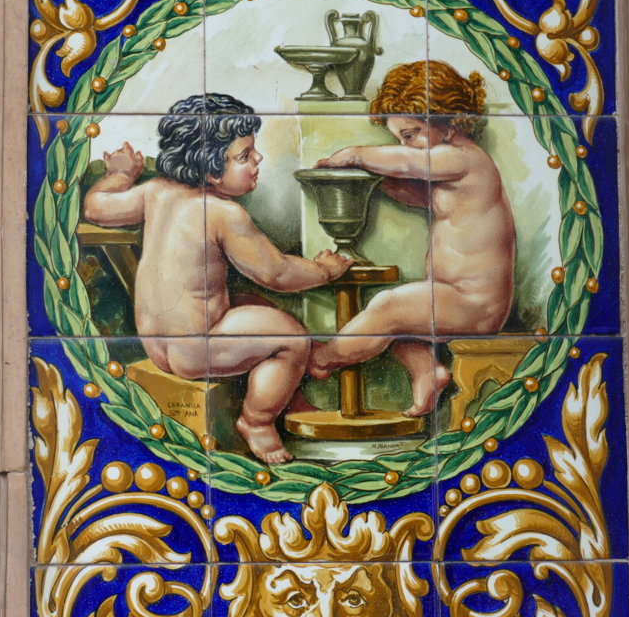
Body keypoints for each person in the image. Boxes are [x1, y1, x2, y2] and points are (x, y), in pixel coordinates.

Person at [83, 94, 351, 463]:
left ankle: (290, 393)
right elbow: (276, 273)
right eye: (244, 156)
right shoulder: (224, 213)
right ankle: (257, 421)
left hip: (158, 346)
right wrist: (325, 270)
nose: (258, 159)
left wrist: (121, 175)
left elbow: (96, 208)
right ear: (210, 171)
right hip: (196, 351)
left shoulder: (155, 192)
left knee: (251, 304)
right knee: (293, 339)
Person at [308, 61, 517, 417]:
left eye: (410, 134)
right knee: (399, 324)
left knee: (388, 307)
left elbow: (407, 163)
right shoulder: (451, 170)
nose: (405, 145)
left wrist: (356, 155)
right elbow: (415, 194)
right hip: (454, 295)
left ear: (447, 121)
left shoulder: (462, 159)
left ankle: (323, 358)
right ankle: (428, 373)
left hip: (474, 303)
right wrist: (381, 183)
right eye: (400, 138)